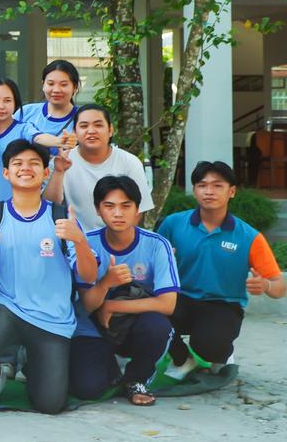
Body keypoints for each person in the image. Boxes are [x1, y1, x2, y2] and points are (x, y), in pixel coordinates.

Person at [0, 139, 98, 414]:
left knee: (50, 404)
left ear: (45, 172)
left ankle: (35, 366)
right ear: (5, 173)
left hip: (52, 317)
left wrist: (80, 241)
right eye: (17, 163)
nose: (26, 168)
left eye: (34, 163)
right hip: (7, 306)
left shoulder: (61, 217)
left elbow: (89, 275)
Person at [157, 161, 284, 381]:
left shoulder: (249, 236)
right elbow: (151, 265)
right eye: (202, 185)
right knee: (147, 319)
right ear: (194, 190)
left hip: (222, 304)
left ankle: (220, 351)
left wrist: (266, 285)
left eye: (217, 185)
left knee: (210, 345)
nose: (209, 191)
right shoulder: (173, 224)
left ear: (231, 191)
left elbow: (280, 287)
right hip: (178, 299)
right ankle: (182, 358)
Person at [69, 175, 178, 406]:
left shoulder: (157, 244)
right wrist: (106, 283)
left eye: (126, 206)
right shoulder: (86, 244)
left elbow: (168, 304)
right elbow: (87, 305)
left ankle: (137, 379)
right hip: (92, 327)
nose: (118, 213)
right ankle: (109, 366)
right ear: (98, 210)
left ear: (137, 209)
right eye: (109, 206)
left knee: (158, 327)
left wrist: (112, 305)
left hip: (133, 325)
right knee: (87, 388)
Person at [43, 104, 153, 224]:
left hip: (118, 234)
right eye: (84, 126)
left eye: (98, 125)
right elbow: (48, 206)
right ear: (74, 132)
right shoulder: (62, 161)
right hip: (75, 234)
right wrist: (59, 172)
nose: (91, 131)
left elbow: (139, 210)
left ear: (110, 130)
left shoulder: (130, 162)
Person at [0, 78, 33, 206]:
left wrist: (59, 141)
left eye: (7, 100)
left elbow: (39, 137)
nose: (1, 106)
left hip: (19, 207)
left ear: (15, 103)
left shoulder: (24, 129)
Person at [17, 59, 81, 151]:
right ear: (43, 85)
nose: (56, 90)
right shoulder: (25, 112)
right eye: (51, 84)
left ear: (75, 87)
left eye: (63, 85)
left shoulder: (83, 118)